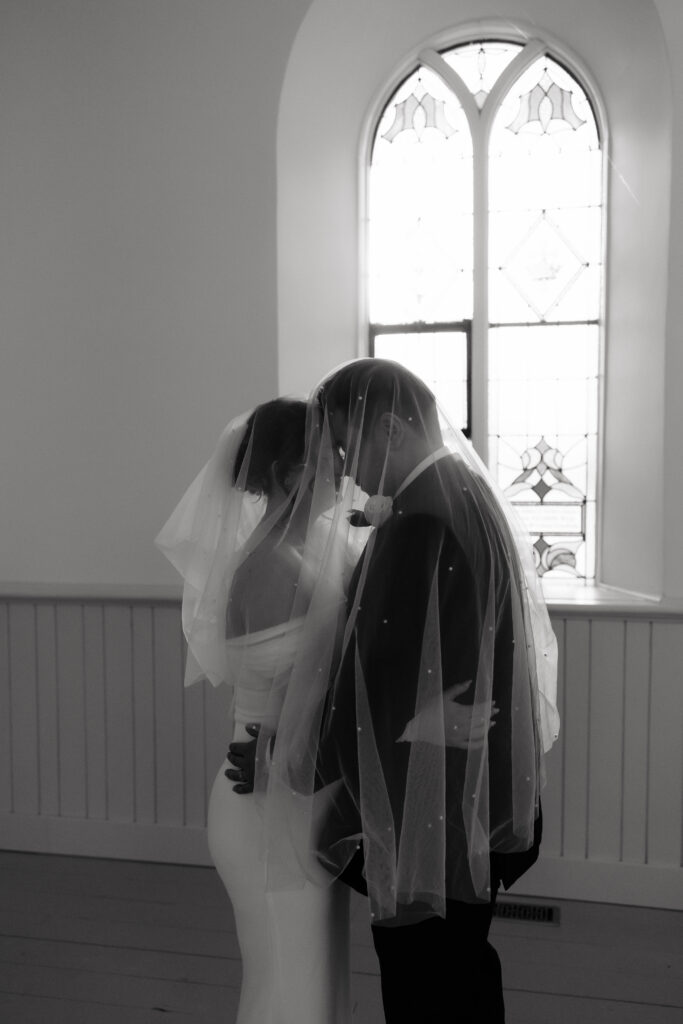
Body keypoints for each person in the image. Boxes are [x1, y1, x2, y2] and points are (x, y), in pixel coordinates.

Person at [228, 360, 560, 1023]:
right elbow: (407, 674)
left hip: (428, 808)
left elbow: (380, 684)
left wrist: (287, 756)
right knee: (461, 977)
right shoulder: (462, 489)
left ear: (387, 428)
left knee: (428, 990)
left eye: (346, 446)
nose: (345, 471)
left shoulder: (419, 522)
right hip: (460, 791)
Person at [155, 398, 356, 1024]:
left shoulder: (305, 553)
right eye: (330, 458)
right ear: (288, 474)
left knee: (308, 977)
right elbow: (305, 701)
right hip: (265, 788)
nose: (344, 469)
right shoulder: (273, 568)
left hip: (293, 786)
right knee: (289, 986)